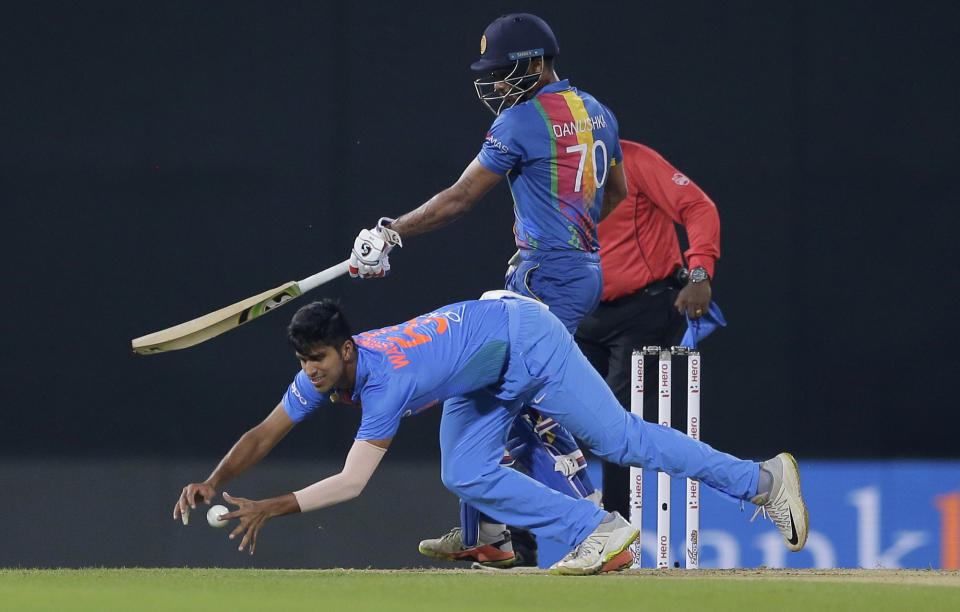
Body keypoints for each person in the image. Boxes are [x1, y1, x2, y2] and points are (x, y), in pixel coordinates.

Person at [172, 293, 809, 575]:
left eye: (318, 361)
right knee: (464, 471)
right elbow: (265, 431)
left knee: (620, 441)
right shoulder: (328, 370)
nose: (310, 374)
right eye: (303, 363)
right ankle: (509, 539)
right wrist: (216, 480)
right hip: (477, 373)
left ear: (345, 348)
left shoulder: (385, 380)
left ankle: (761, 481)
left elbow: (353, 482)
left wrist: (272, 507)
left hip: (524, 342)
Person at [346, 12, 631, 568]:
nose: (496, 84)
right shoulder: (597, 111)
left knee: (516, 404)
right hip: (580, 269)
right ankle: (486, 533)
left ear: (537, 62)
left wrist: (390, 232)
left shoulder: (522, 121)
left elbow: (459, 197)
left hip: (547, 275)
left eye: (504, 71)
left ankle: (595, 528)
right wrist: (560, 236)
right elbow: (615, 193)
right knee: (475, 385)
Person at [575, 139, 721, 517]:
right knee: (546, 412)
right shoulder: (554, 169)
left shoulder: (633, 160)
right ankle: (519, 540)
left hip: (646, 309)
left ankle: (617, 532)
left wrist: (701, 272)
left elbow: (698, 207)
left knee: (616, 421)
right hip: (582, 313)